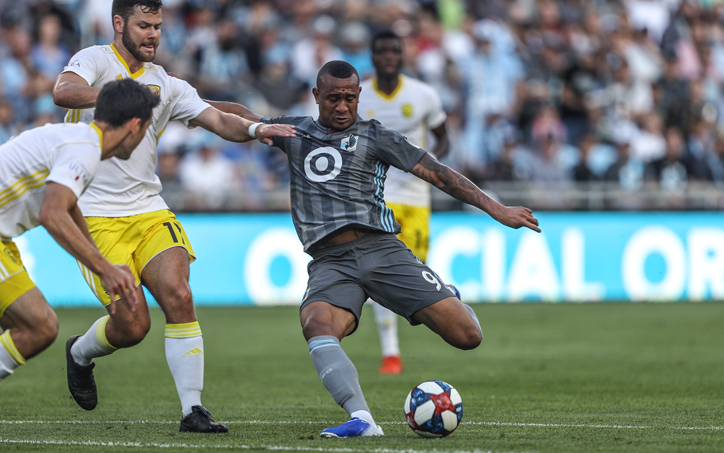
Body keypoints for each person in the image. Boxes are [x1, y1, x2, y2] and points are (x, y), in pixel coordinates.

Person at [231, 60, 540, 438]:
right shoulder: (292, 132)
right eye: (332, 99)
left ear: (359, 96)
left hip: (382, 250)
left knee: (467, 337)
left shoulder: (375, 136)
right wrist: (187, 103)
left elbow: (437, 172)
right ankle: (362, 419)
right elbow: (243, 116)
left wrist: (496, 208)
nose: (342, 106)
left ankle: (448, 296)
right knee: (317, 324)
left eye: (349, 98)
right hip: (330, 262)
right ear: (316, 96)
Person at [51, 0, 295, 433]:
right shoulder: (94, 59)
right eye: (144, 25)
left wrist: (258, 129)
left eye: (158, 27)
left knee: (179, 295)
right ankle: (79, 353)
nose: (153, 35)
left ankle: (192, 410)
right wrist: (123, 98)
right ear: (119, 23)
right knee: (133, 324)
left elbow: (219, 119)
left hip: (148, 211)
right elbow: (63, 92)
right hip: (94, 218)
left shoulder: (166, 83)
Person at [0, 79, 157, 382]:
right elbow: (52, 212)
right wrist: (105, 269)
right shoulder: (85, 150)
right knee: (40, 327)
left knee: (19, 325)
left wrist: (102, 264)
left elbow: (70, 208)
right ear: (135, 126)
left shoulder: (80, 140)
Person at [358, 30, 450, 375]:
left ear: (403, 55)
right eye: (381, 51)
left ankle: (410, 319)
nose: (388, 56)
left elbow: (444, 140)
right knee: (383, 271)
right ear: (372, 55)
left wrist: (426, 167)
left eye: (394, 50)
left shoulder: (424, 95)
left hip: (416, 198)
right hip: (377, 198)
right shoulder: (359, 96)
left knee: (414, 276)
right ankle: (391, 354)